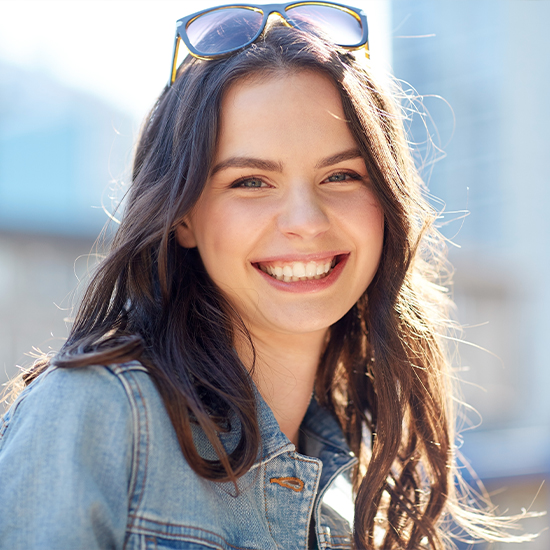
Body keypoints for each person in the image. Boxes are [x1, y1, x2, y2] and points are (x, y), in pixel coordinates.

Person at [0, 3, 533, 549]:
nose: (305, 222)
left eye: (342, 175)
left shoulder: (355, 486)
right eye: (251, 182)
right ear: (181, 215)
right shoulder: (100, 414)